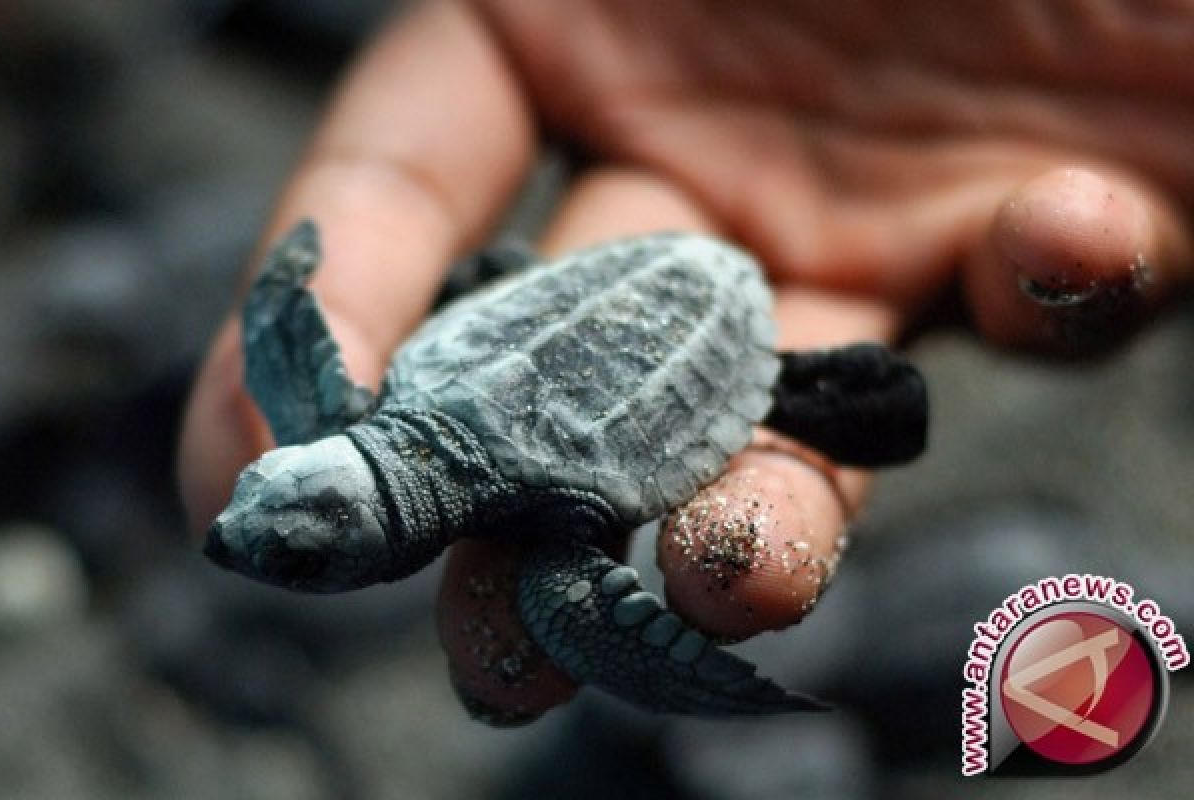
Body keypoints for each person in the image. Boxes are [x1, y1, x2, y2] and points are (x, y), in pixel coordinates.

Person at [178, 0, 1193, 723]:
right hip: (626, 277)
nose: (237, 533)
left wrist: (288, 285)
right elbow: (290, 339)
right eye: (275, 514)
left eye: (287, 531)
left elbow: (289, 333)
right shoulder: (412, 438)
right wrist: (286, 286)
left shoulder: (543, 537)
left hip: (688, 309)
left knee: (604, 602)